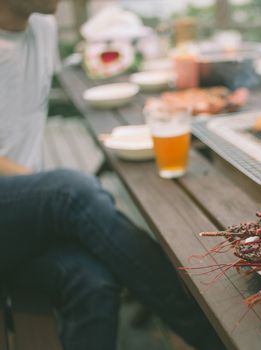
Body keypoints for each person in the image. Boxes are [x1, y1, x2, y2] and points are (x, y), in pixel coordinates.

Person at [0, 1, 223, 349]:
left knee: (94, 282)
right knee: (71, 193)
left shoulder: (43, 28)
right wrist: (45, 195)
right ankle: (215, 334)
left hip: (21, 222)